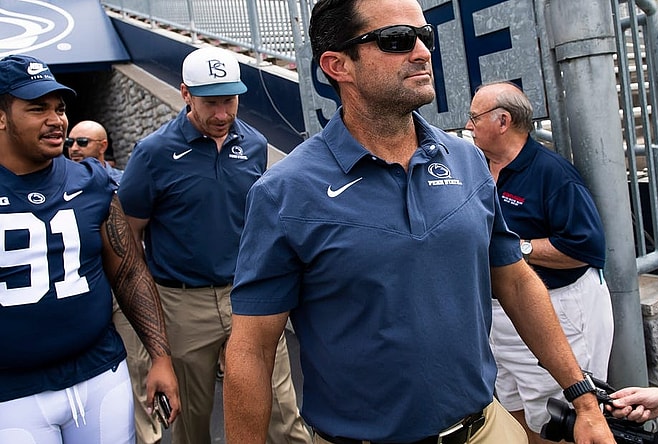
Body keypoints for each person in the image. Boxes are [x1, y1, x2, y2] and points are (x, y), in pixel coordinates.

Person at [223, 1, 616, 443]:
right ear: (337, 65)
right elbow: (252, 350)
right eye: (396, 40)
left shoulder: (467, 161)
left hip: (487, 429)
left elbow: (516, 281)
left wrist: (583, 397)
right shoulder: (284, 192)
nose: (422, 52)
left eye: (423, 36)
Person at [117, 46, 310, 444]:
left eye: (229, 101)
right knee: (193, 418)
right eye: (210, 103)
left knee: (281, 410)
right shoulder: (153, 154)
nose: (222, 114)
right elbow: (127, 234)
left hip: (249, 296)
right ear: (186, 94)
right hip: (184, 305)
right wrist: (147, 308)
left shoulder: (254, 146)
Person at [0, 54, 180, 443]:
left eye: (60, 108)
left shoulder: (92, 181)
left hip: (100, 372)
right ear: (1, 116)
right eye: (37, 108)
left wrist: (160, 356)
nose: (56, 120)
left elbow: (129, 271)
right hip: (12, 394)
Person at [465, 81, 615, 442]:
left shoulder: (552, 173)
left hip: (552, 310)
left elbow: (586, 248)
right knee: (515, 414)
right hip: (499, 317)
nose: (468, 126)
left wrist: (515, 250)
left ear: (503, 121)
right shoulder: (477, 168)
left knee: (557, 420)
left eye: (474, 117)